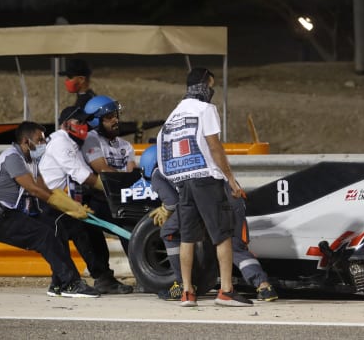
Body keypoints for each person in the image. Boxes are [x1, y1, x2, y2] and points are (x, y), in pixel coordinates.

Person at [157, 67, 252, 307]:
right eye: (211, 86)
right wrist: (230, 179)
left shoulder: (173, 115)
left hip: (183, 181)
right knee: (223, 234)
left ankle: (187, 292)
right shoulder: (205, 109)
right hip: (206, 180)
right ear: (203, 85)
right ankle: (226, 291)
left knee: (187, 237)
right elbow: (214, 146)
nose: (211, 91)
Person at [0, 121, 99, 297]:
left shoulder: (31, 160)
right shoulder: (13, 157)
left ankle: (59, 284)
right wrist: (68, 206)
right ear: (26, 141)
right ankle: (71, 284)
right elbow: (34, 190)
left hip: (9, 212)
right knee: (45, 235)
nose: (43, 144)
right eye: (39, 140)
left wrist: (72, 207)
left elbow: (44, 188)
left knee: (58, 227)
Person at [139, 145, 278, 302]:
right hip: (234, 200)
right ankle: (264, 286)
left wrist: (166, 209)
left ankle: (183, 285)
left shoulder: (159, 172)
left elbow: (174, 202)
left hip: (205, 201)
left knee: (169, 232)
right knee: (234, 246)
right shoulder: (202, 159)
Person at [39, 106, 133, 294]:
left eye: (86, 122)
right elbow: (84, 176)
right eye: (79, 122)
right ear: (66, 124)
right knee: (82, 231)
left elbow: (87, 175)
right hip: (49, 203)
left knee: (85, 231)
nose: (84, 126)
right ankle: (84, 280)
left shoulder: (73, 143)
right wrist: (118, 189)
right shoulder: (60, 142)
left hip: (61, 201)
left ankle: (66, 282)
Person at [81, 95, 137, 253]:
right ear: (95, 121)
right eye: (109, 117)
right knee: (129, 226)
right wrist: (125, 178)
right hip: (96, 200)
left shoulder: (126, 145)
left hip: (119, 199)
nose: (115, 120)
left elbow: (132, 175)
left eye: (115, 115)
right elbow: (103, 170)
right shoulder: (90, 139)